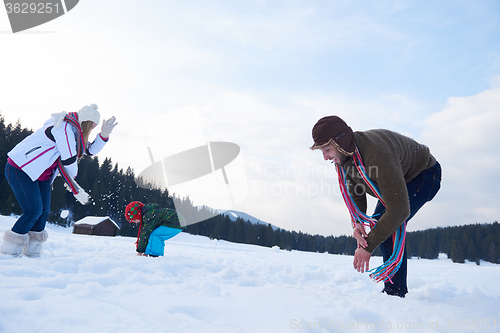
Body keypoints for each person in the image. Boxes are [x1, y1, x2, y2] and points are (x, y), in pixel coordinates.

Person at [311, 115, 441, 298]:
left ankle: (395, 293)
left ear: (340, 143)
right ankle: (393, 291)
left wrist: (367, 247)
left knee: (388, 226)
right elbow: (356, 192)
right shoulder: (344, 158)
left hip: (424, 175)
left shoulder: (377, 154)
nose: (325, 157)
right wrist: (357, 224)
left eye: (327, 149)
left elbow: (399, 210)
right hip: (399, 178)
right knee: (382, 226)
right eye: (321, 151)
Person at [1, 104, 118, 257]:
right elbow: (69, 159)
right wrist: (73, 184)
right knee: (33, 211)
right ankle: (9, 251)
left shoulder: (73, 132)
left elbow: (88, 150)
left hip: (41, 176)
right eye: (92, 127)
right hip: (20, 169)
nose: (91, 131)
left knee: (43, 212)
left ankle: (32, 252)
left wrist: (104, 135)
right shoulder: (63, 128)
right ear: (86, 123)